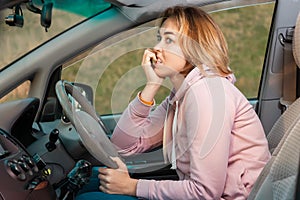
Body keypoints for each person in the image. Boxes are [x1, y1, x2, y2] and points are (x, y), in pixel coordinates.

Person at [76, 6, 271, 200]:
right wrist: (151, 86)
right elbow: (124, 146)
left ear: (195, 47)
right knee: (91, 182)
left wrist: (133, 187)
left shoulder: (208, 94)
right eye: (159, 38)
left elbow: (206, 193)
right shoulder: (179, 97)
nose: (157, 49)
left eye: (169, 40)